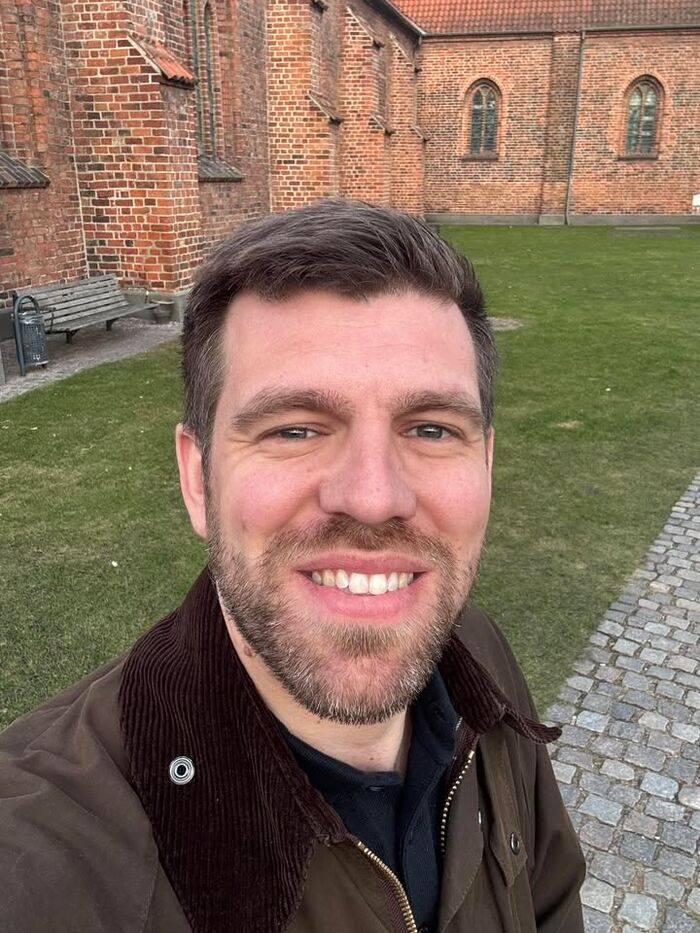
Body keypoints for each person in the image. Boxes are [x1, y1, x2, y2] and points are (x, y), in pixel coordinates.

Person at [1, 200, 585, 933]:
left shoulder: (479, 656)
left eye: (432, 429)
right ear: (197, 479)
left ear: (487, 464)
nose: (373, 497)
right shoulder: (45, 856)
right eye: (296, 429)